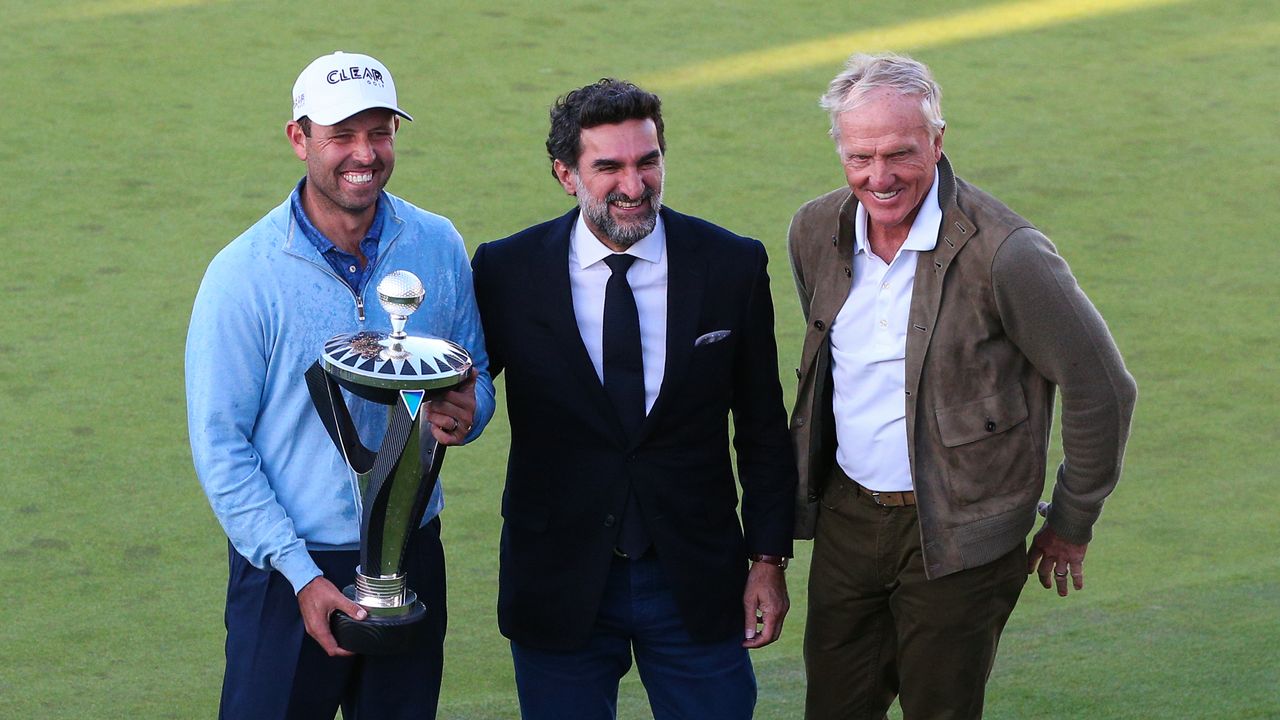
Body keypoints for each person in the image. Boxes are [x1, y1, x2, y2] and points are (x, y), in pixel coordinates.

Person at [788, 53, 1137, 719]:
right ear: (839, 148)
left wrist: (1071, 520)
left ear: (938, 140)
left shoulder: (1009, 253)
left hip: (960, 538)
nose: (879, 176)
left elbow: (1102, 387)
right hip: (848, 525)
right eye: (860, 156)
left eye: (900, 153)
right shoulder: (813, 231)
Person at [471, 79, 797, 720]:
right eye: (609, 167)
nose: (634, 184)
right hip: (558, 578)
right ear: (566, 174)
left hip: (696, 580)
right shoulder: (507, 271)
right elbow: (473, 391)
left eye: (647, 161)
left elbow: (761, 427)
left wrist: (767, 560)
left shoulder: (730, 264)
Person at [185, 51, 494, 719]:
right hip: (289, 570)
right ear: (300, 139)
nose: (364, 153)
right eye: (342, 135)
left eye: (379, 131)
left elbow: (476, 373)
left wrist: (468, 411)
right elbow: (221, 446)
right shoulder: (243, 274)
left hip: (410, 554)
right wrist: (299, 574)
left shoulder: (437, 245)